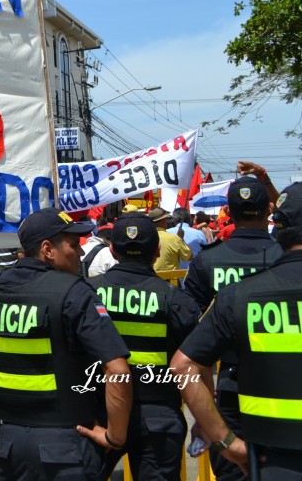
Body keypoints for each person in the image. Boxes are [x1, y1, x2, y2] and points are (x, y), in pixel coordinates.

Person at [0, 208, 132, 481]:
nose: (79, 253)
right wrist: (116, 436)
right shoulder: (75, 292)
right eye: (73, 245)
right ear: (47, 249)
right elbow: (118, 371)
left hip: (9, 446)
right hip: (65, 446)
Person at [170, 180, 302, 479]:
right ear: (267, 213)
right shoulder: (267, 266)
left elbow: (187, 354)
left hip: (244, 408)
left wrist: (224, 439)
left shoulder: (231, 285)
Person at [90, 212, 201, 481]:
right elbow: (194, 367)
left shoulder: (85, 293)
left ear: (112, 250)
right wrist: (205, 420)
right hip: (159, 417)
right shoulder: (177, 301)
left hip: (98, 413)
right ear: (158, 251)